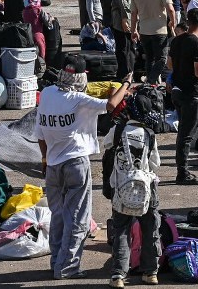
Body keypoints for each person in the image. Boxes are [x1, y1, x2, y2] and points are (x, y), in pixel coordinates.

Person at [35, 66, 131, 280]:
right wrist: (125, 84)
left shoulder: (48, 94)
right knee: (77, 218)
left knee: (58, 216)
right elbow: (110, 105)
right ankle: (67, 268)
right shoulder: (78, 98)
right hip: (75, 164)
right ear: (79, 77)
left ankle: (56, 262)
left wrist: (45, 158)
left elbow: (40, 132)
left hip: (52, 165)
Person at [105, 119, 161, 289]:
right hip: (145, 190)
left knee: (121, 231)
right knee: (150, 229)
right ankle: (150, 273)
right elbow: (155, 164)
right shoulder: (149, 134)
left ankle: (118, 276)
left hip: (121, 188)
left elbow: (107, 144)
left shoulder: (118, 129)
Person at [168, 7, 198, 185]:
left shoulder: (177, 41)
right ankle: (183, 172)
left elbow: (170, 65)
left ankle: (182, 170)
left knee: (182, 134)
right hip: (191, 94)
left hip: (177, 91)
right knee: (186, 135)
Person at [129, 0, 176, 85]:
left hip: (144, 30)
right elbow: (171, 9)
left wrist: (133, 30)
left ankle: (150, 85)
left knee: (149, 59)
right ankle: (150, 82)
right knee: (162, 58)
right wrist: (173, 22)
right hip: (160, 30)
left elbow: (134, 14)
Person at [110, 0, 137, 82]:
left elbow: (124, 5)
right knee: (129, 49)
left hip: (121, 25)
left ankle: (124, 75)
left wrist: (124, 19)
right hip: (132, 22)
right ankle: (130, 73)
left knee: (122, 50)